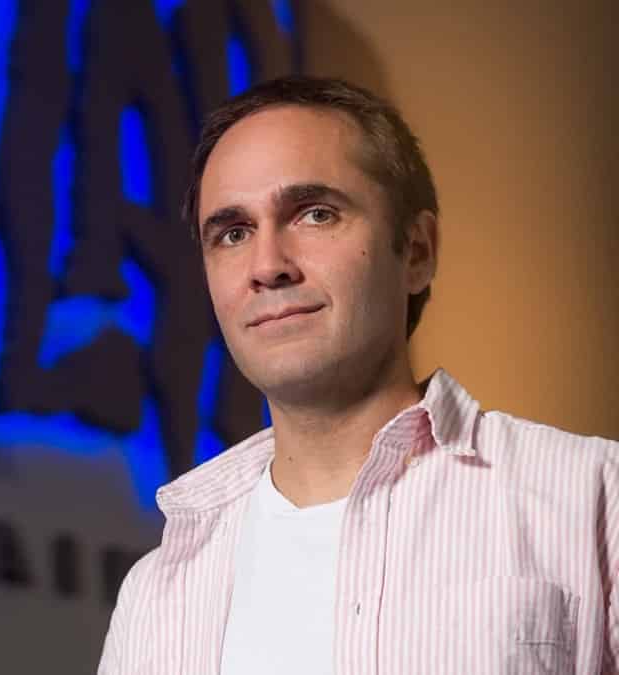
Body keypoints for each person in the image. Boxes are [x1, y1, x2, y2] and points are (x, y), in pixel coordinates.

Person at [96, 75, 618, 674]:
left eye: (315, 214)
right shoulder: (158, 590)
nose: (267, 266)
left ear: (417, 251)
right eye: (234, 233)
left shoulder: (594, 499)